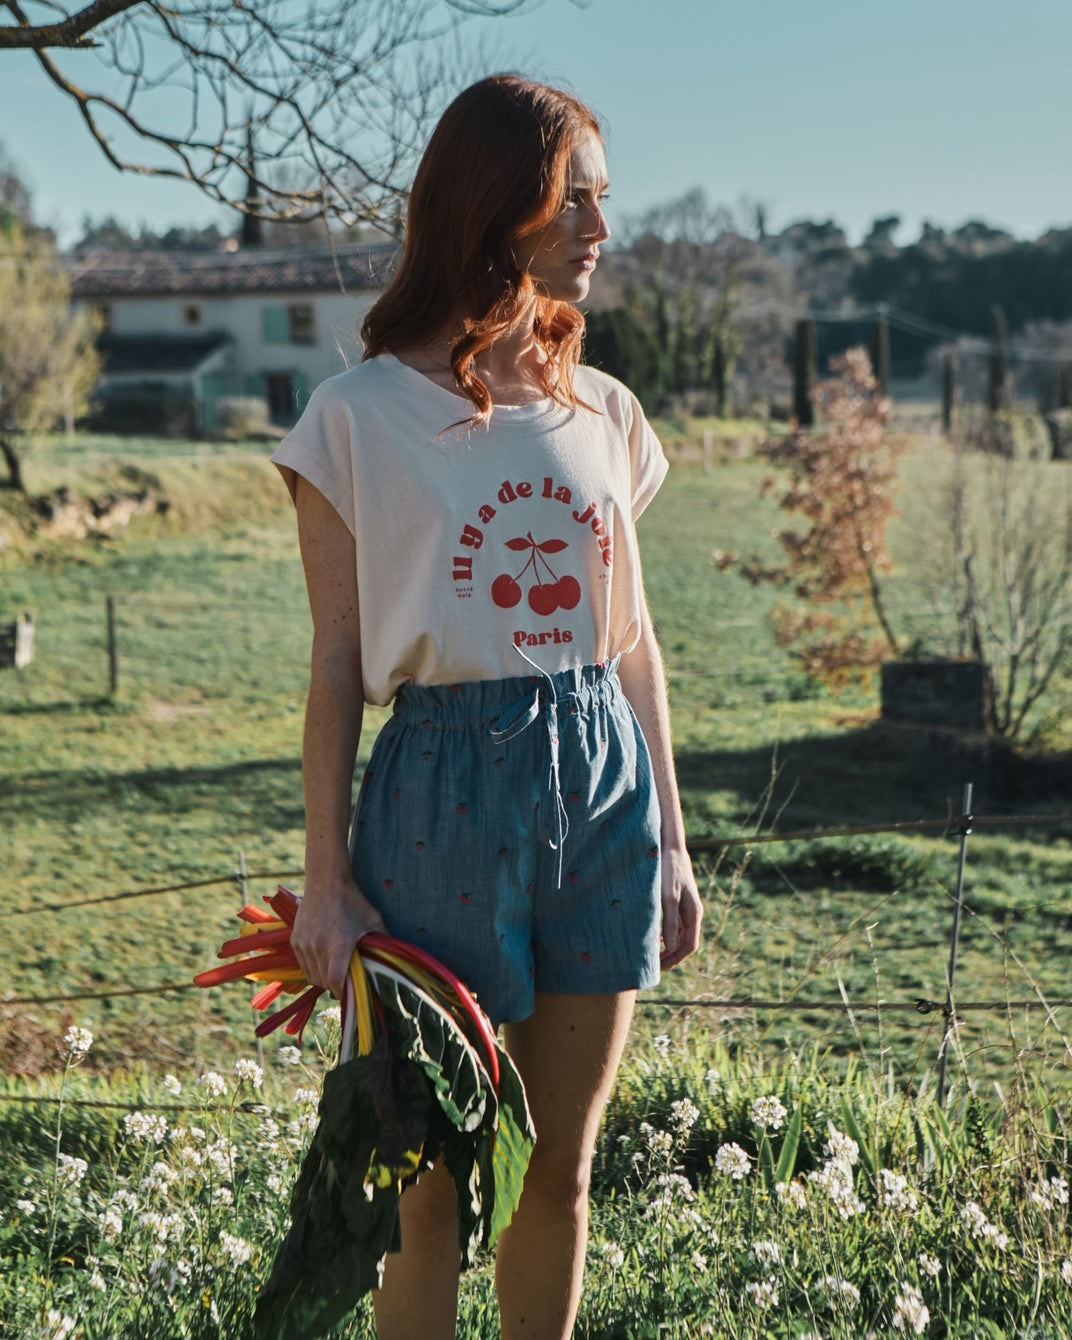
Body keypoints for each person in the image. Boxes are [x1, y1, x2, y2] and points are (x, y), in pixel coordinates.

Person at [270, 73, 702, 1340]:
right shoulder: (353, 420)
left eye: (601, 199)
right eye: (576, 199)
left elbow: (634, 641)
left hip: (602, 785)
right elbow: (336, 663)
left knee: (558, 1172)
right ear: (496, 202)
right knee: (432, 1189)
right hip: (437, 797)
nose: (599, 228)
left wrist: (672, 840)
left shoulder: (603, 410)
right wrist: (326, 878)